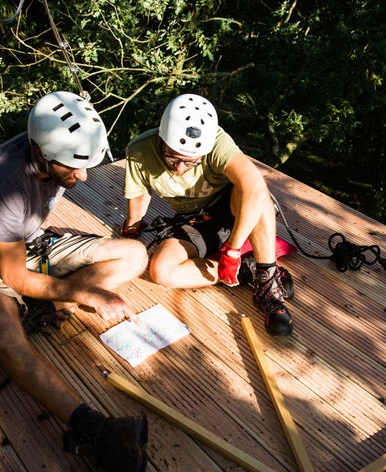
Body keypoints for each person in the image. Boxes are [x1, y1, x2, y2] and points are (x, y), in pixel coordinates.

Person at [0, 91, 149, 472]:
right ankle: (95, 431)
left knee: (135, 254)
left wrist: (67, 285)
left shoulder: (53, 156)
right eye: (73, 166)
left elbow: (30, 240)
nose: (85, 177)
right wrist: (85, 291)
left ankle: (42, 305)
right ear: (40, 151)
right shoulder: (4, 180)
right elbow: (12, 275)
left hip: (32, 247)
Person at [121, 93, 294, 336]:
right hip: (198, 219)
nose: (180, 167)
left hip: (232, 208)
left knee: (259, 196)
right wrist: (132, 226)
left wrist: (232, 250)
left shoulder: (218, 143)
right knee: (161, 270)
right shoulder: (139, 150)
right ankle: (247, 271)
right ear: (161, 137)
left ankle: (267, 280)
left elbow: (253, 186)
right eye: (172, 156)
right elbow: (139, 194)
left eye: (190, 162)